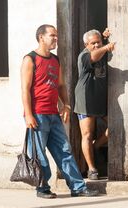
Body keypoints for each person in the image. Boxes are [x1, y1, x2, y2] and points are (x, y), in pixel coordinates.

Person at [21, 24, 99, 198]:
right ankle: (42, 188)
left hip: (53, 114)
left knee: (65, 150)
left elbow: (61, 85)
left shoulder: (55, 60)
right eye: (52, 36)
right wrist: (28, 115)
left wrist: (66, 105)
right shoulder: (30, 59)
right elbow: (25, 89)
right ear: (41, 37)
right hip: (37, 115)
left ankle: (78, 187)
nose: (56, 38)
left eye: (56, 36)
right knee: (39, 154)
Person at [74, 28, 115, 180]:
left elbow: (102, 47)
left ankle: (96, 146)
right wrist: (105, 46)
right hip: (85, 99)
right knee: (87, 134)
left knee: (114, 128)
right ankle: (92, 169)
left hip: (100, 100)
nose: (96, 45)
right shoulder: (84, 56)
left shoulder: (102, 49)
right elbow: (94, 56)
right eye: (93, 43)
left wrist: (105, 38)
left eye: (99, 42)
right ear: (86, 44)